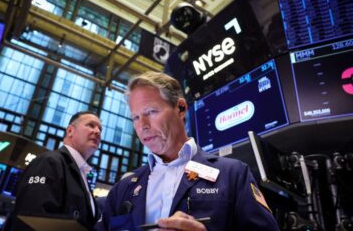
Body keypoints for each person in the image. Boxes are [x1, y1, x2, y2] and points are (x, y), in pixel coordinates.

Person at [95, 72, 279, 231]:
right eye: (135, 117)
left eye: (151, 112)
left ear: (180, 108)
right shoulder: (124, 188)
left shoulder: (233, 174)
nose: (142, 126)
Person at [10, 111, 102, 231]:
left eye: (100, 129)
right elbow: (32, 220)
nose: (97, 131)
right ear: (70, 131)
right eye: (91, 125)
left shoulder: (81, 174)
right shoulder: (49, 162)